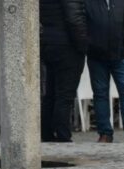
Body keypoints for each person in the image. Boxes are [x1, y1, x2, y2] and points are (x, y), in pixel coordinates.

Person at [85, 0, 124, 143]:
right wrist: (87, 43)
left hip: (122, 53)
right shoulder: (88, 2)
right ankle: (105, 133)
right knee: (100, 94)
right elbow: (82, 22)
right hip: (96, 54)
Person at [40, 0, 88, 142]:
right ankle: (62, 134)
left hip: (49, 43)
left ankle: (46, 132)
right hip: (67, 45)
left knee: (50, 93)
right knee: (65, 94)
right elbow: (74, 19)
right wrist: (84, 45)